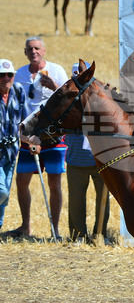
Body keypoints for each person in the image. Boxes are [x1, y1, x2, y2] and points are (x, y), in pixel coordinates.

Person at [12, 37, 69, 238]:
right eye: (30, 49)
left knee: (55, 183)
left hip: (53, 136)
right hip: (27, 135)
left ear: (44, 51)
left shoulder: (56, 70)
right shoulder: (19, 74)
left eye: (37, 48)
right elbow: (16, 103)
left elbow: (68, 100)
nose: (33, 51)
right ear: (25, 52)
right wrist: (21, 133)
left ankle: (55, 230)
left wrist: (54, 86)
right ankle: (25, 227)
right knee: (22, 181)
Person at [64, 64, 111, 243]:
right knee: (76, 201)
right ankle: (78, 236)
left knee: (103, 201)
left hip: (101, 159)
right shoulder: (67, 102)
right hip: (76, 159)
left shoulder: (102, 99)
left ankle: (100, 235)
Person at [0, 59, 28, 233]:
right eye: (1, 75)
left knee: (4, 195)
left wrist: (30, 139)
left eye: (9, 75)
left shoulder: (18, 90)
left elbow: (25, 119)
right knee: (1, 191)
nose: (6, 78)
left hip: (11, 152)